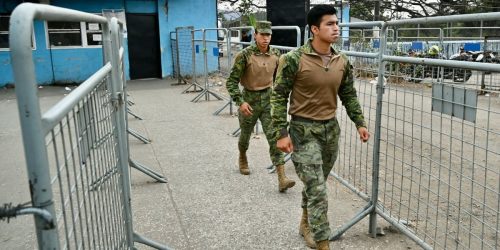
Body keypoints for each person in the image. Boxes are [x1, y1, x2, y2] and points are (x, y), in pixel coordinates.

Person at [271, 5, 370, 249]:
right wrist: (281, 133)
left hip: (330, 131)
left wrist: (359, 123)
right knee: (318, 190)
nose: (336, 28)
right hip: (303, 131)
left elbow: (348, 94)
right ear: (314, 29)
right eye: (330, 24)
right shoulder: (293, 59)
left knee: (316, 183)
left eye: (337, 23)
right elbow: (278, 96)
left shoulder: (342, 60)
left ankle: (305, 222)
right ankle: (322, 240)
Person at [226, 21, 296, 192]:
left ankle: (282, 178)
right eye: (262, 35)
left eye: (268, 35)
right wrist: (240, 102)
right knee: (245, 135)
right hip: (248, 100)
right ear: (255, 35)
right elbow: (231, 82)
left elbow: (280, 77)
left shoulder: (276, 54)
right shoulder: (244, 55)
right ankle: (242, 157)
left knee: (275, 137)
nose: (266, 38)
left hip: (267, 99)